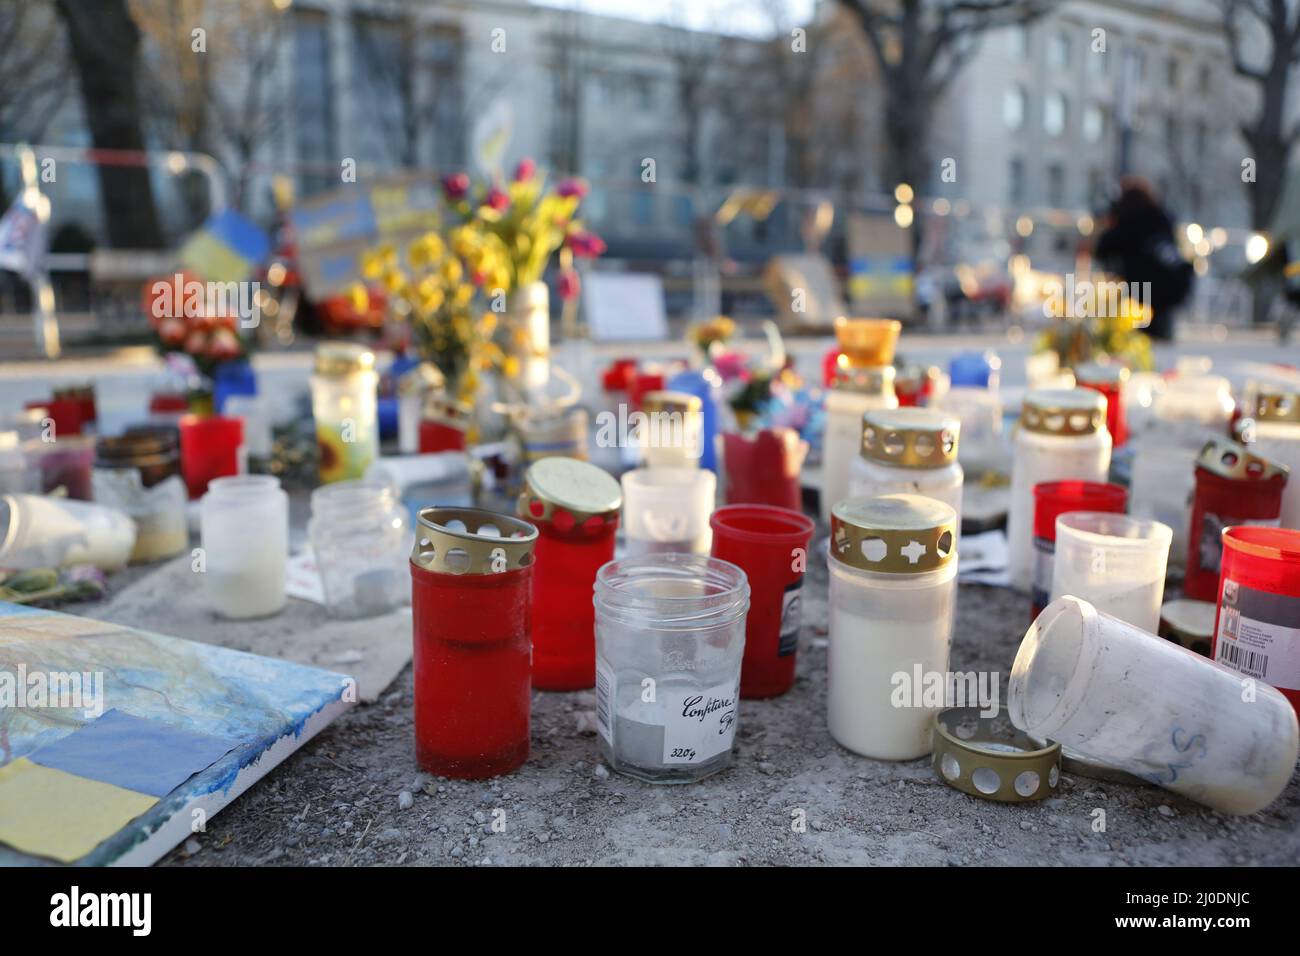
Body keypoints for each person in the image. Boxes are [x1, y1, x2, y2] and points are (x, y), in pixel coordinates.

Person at [1092, 177, 1193, 341]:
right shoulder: (1161, 216)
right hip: (1167, 287)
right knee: (1158, 337)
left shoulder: (1127, 218)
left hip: (1140, 288)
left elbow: (1103, 249)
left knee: (1136, 337)